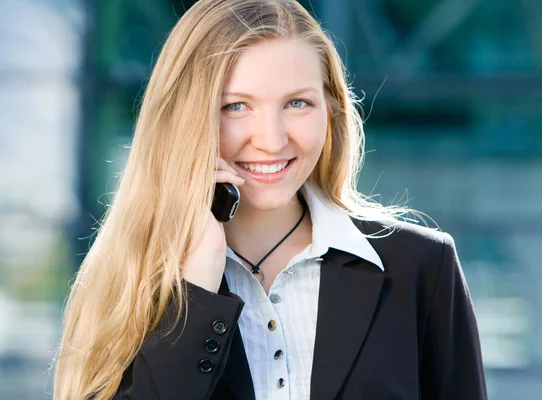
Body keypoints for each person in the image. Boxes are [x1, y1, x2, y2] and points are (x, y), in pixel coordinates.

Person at [52, 0, 487, 399]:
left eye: (297, 103)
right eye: (236, 106)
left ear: (330, 111)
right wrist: (197, 285)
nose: (272, 139)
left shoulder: (422, 268)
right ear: (186, 119)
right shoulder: (133, 279)